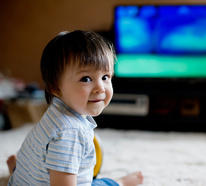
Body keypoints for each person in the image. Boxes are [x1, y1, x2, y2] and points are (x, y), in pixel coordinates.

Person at [7, 30, 143, 186]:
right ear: (55, 87)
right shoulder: (70, 133)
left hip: (26, 179)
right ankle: (120, 182)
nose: (100, 88)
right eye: (86, 79)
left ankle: (19, 171)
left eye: (105, 77)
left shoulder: (56, 111)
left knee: (35, 165)